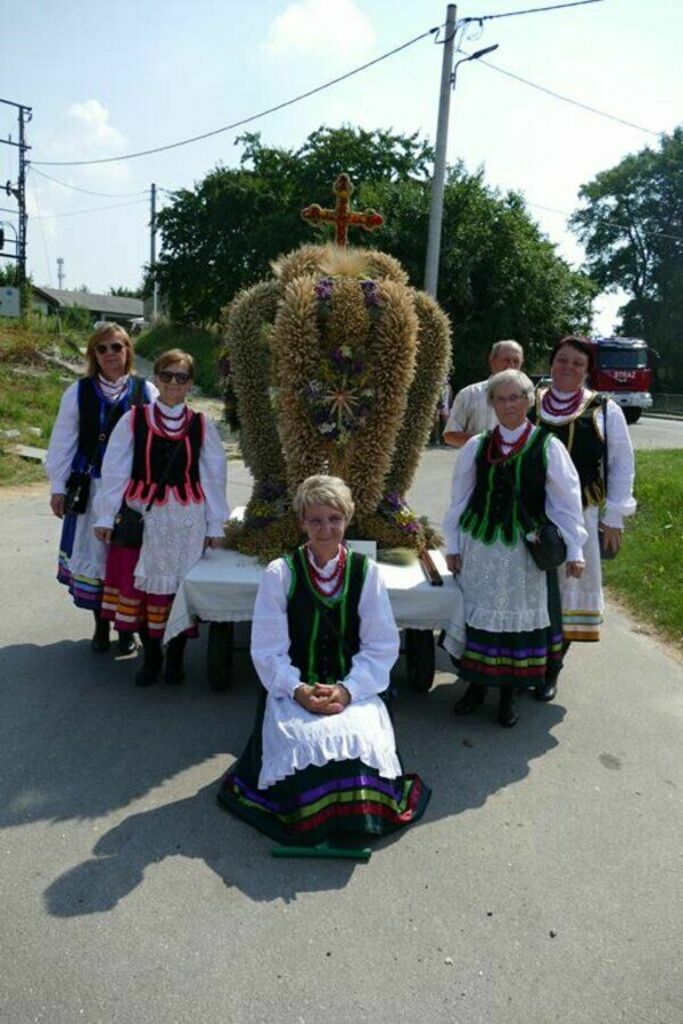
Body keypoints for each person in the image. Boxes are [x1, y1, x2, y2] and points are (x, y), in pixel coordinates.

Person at [217, 475, 430, 847]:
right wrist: (297, 690)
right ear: (302, 523)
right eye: (315, 520)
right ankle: (317, 819)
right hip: (296, 686)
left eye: (334, 518)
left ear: (346, 520)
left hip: (353, 687)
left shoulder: (367, 573)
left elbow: (380, 646)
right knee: (304, 746)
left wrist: (348, 691)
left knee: (358, 746)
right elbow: (267, 650)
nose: (325, 529)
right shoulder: (280, 574)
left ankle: (350, 821)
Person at [442, 370, 587, 727]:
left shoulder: (547, 446)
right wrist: (453, 545)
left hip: (523, 554)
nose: (508, 406)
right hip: (481, 549)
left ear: (529, 400)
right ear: (492, 403)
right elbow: (459, 501)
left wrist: (576, 550)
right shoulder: (477, 446)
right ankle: (474, 688)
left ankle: (507, 697)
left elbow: (564, 504)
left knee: (516, 627)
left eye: (516, 398)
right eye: (501, 399)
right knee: (479, 617)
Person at [93, 349, 229, 686]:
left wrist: (215, 525)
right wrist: (106, 516)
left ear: (190, 384)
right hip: (142, 515)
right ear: (156, 377)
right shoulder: (134, 420)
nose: (172, 383)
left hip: (184, 521)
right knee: (141, 593)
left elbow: (213, 479)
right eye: (166, 375)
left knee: (176, 593)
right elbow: (115, 471)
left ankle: (176, 660)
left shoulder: (201, 425)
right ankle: (152, 658)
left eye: (180, 377)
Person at [46, 323, 157, 654]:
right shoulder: (78, 392)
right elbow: (63, 441)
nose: (111, 354)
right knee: (96, 556)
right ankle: (99, 626)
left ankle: (126, 629)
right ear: (94, 354)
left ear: (127, 351)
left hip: (131, 493)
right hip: (91, 489)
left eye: (117, 347)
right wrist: (58, 487)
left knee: (126, 559)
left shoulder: (144, 390)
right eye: (103, 348)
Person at [531, 335, 636, 675]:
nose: (568, 368)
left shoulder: (605, 409)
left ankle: (553, 666)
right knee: (527, 583)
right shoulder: (529, 401)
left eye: (578, 363)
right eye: (562, 359)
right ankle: (523, 662)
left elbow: (621, 463)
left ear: (589, 369)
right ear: (551, 362)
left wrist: (615, 517)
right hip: (528, 509)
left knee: (569, 588)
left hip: (581, 515)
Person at [443, 339, 524, 448]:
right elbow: (450, 435)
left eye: (516, 361)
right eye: (506, 360)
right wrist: (486, 443)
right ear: (492, 361)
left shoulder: (527, 398)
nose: (511, 365)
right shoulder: (469, 395)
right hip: (477, 463)